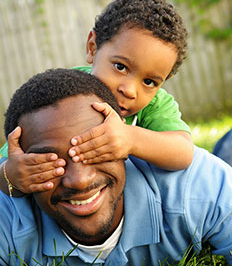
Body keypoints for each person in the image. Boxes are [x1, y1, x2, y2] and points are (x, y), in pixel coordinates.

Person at [1, 68, 232, 266]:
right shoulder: (8, 217)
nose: (80, 180)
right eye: (48, 162)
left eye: (96, 150)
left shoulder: (195, 188)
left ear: (123, 141)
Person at [0, 0, 194, 194]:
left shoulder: (154, 105)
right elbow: (7, 165)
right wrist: (11, 176)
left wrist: (131, 139)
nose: (129, 90)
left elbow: (184, 151)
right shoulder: (64, 93)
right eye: (120, 67)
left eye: (149, 81)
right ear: (93, 47)